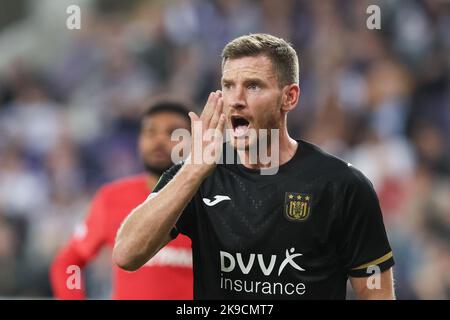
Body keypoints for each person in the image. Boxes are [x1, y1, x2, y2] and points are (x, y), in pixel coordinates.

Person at [113, 34, 395, 299]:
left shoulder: (342, 185)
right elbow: (127, 254)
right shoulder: (198, 173)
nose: (236, 100)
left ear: (290, 97)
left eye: (253, 86)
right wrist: (193, 171)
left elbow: (376, 293)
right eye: (228, 86)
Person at [50, 101, 193, 299]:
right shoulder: (112, 198)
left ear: (195, 142)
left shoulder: (215, 201)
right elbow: (69, 263)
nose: (159, 140)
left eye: (173, 133)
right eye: (150, 132)